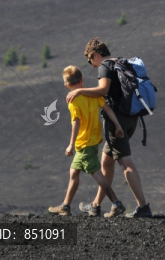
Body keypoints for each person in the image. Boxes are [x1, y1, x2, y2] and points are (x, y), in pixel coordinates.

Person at [65, 37, 153, 218]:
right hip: (131, 119)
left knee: (126, 163)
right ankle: (96, 205)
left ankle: (143, 207)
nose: (93, 66)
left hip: (116, 122)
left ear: (96, 55)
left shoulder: (105, 66)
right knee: (106, 161)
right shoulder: (120, 62)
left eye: (91, 62)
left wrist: (79, 91)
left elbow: (103, 90)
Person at [48, 65, 127, 217]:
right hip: (92, 141)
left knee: (97, 174)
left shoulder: (73, 100)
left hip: (84, 143)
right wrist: (117, 125)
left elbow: (76, 122)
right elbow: (108, 109)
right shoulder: (93, 94)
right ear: (82, 80)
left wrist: (71, 144)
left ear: (66, 85)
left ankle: (116, 203)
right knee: (74, 173)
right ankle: (65, 206)